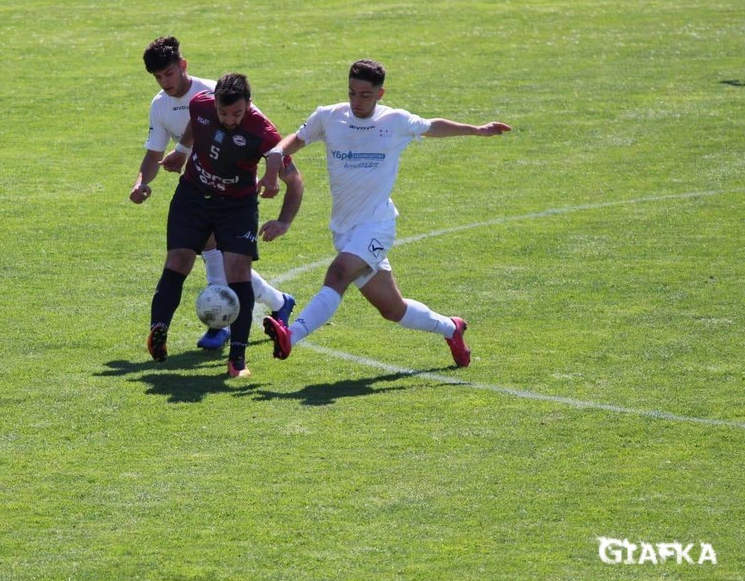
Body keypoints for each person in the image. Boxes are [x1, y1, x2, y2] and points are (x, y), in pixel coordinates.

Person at [261, 59, 511, 368]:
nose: (357, 101)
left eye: (365, 95)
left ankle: (291, 335)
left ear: (380, 94)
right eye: (352, 93)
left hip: (376, 226)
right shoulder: (329, 116)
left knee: (338, 273)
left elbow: (433, 126)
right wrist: (277, 151)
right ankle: (451, 328)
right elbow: (297, 140)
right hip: (344, 230)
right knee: (393, 309)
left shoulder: (394, 121)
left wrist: (477, 130)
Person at [132, 36, 297, 351]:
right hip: (199, 187)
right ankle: (271, 304)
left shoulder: (215, 94)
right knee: (215, 256)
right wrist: (141, 181)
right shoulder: (161, 105)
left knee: (223, 259)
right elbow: (156, 152)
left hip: (234, 194)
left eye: (169, 73)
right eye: (158, 77)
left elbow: (254, 128)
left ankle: (226, 325)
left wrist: (272, 170)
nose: (165, 82)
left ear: (183, 65)